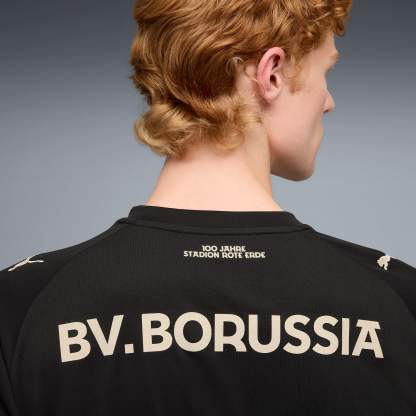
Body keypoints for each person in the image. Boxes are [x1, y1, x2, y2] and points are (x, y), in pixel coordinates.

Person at [1, 0, 415, 415]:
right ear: (271, 73)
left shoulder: (21, 307)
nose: (328, 102)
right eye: (325, 71)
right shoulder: (397, 304)